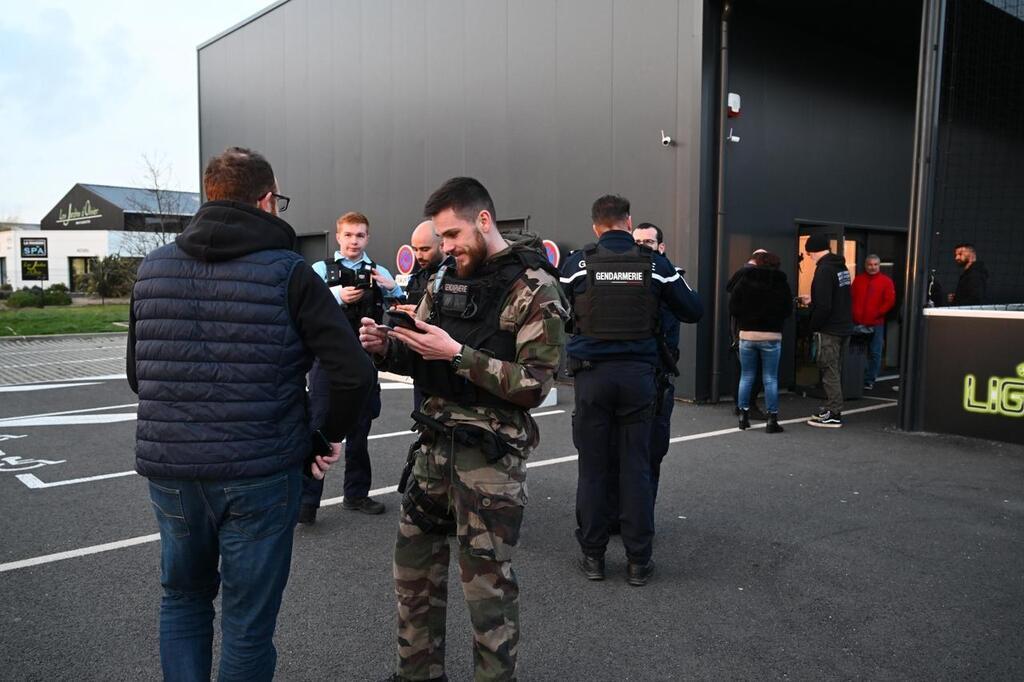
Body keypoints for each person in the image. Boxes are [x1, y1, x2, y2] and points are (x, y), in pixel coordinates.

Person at [127, 146, 374, 680]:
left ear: (209, 196)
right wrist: (325, 436)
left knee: (183, 598)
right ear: (266, 201)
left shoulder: (153, 269)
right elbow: (353, 371)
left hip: (172, 471)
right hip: (261, 471)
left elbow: (137, 376)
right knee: (246, 623)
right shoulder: (289, 272)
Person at [359, 177, 568, 682]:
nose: (444, 248)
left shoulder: (535, 286)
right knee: (413, 573)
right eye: (439, 238)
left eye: (451, 235)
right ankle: (416, 673)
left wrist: (458, 354)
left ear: (483, 220)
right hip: (433, 449)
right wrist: (388, 345)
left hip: (490, 462)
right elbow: (424, 349)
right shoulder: (444, 280)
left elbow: (534, 387)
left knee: (487, 590)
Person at [561, 195, 702, 586]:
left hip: (591, 378)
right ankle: (639, 561)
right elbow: (693, 309)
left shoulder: (576, 264)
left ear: (596, 226)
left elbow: (555, 308)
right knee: (637, 467)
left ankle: (593, 557)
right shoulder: (655, 264)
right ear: (628, 221)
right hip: (640, 379)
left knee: (593, 468)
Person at [299, 212, 404, 523]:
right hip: (327, 363)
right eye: (349, 235)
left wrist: (392, 289)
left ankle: (356, 494)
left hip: (365, 362)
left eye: (360, 235)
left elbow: (402, 308)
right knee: (317, 427)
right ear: (338, 236)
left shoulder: (378, 271)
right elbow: (303, 304)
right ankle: (306, 503)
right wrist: (336, 295)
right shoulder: (320, 270)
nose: (354, 241)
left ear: (367, 238)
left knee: (360, 432)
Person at [728, 250, 793, 433]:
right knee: (770, 378)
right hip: (771, 336)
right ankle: (772, 420)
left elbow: (733, 307)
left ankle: (743, 416)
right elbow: (788, 310)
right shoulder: (781, 284)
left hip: (747, 335)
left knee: (746, 376)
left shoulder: (745, 280)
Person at [394, 219, 448, 412]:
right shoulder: (419, 277)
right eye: (415, 249)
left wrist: (421, 314)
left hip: (447, 366)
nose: (418, 255)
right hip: (420, 364)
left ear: (442, 245)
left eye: (425, 249)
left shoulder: (455, 275)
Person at [800, 234, 853, 428]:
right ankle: (832, 408)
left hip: (830, 329)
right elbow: (837, 298)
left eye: (807, 253)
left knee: (828, 370)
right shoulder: (841, 267)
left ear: (812, 250)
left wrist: (812, 325)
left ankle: (833, 412)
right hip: (843, 325)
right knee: (834, 369)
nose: (808, 257)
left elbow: (824, 306)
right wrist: (813, 300)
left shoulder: (823, 270)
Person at [727, 249, 767, 418]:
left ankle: (740, 405)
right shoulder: (753, 277)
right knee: (755, 372)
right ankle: (748, 406)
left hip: (739, 331)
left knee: (743, 371)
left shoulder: (739, 276)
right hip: (750, 331)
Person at [850, 254, 896, 389]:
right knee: (857, 352)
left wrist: (877, 313)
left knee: (875, 352)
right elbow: (851, 298)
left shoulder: (886, 281)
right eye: (870, 264)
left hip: (876, 323)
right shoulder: (858, 280)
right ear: (866, 265)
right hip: (857, 322)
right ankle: (857, 377)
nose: (873, 267)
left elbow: (890, 301)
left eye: (875, 264)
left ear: (879, 265)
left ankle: (869, 380)